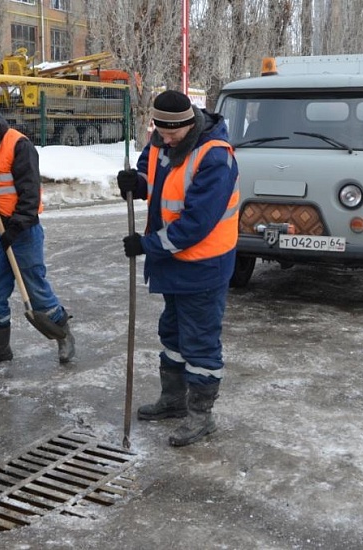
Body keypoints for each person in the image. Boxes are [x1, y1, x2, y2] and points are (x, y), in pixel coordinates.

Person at [117, 90, 239, 447]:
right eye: (160, 131)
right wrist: (134, 184)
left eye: (172, 133)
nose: (164, 139)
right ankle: (173, 400)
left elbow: (196, 222)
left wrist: (148, 245)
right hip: (171, 263)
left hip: (203, 265)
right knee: (172, 334)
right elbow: (150, 179)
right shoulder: (159, 140)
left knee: (199, 342)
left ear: (189, 124)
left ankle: (201, 416)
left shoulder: (216, 157)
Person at [0, 95, 76, 367]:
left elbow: (30, 194)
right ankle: (0, 347)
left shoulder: (19, 145)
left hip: (23, 229)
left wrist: (15, 227)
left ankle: (63, 334)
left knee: (35, 289)